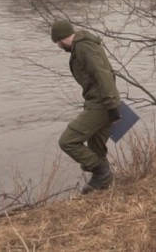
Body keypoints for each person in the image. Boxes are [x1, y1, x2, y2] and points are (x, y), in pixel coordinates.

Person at [50, 19, 121, 194]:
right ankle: (102, 185)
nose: (59, 47)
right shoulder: (83, 46)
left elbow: (103, 74)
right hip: (100, 101)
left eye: (58, 43)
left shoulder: (83, 48)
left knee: (68, 141)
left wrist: (112, 108)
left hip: (102, 103)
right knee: (96, 145)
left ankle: (101, 172)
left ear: (61, 39)